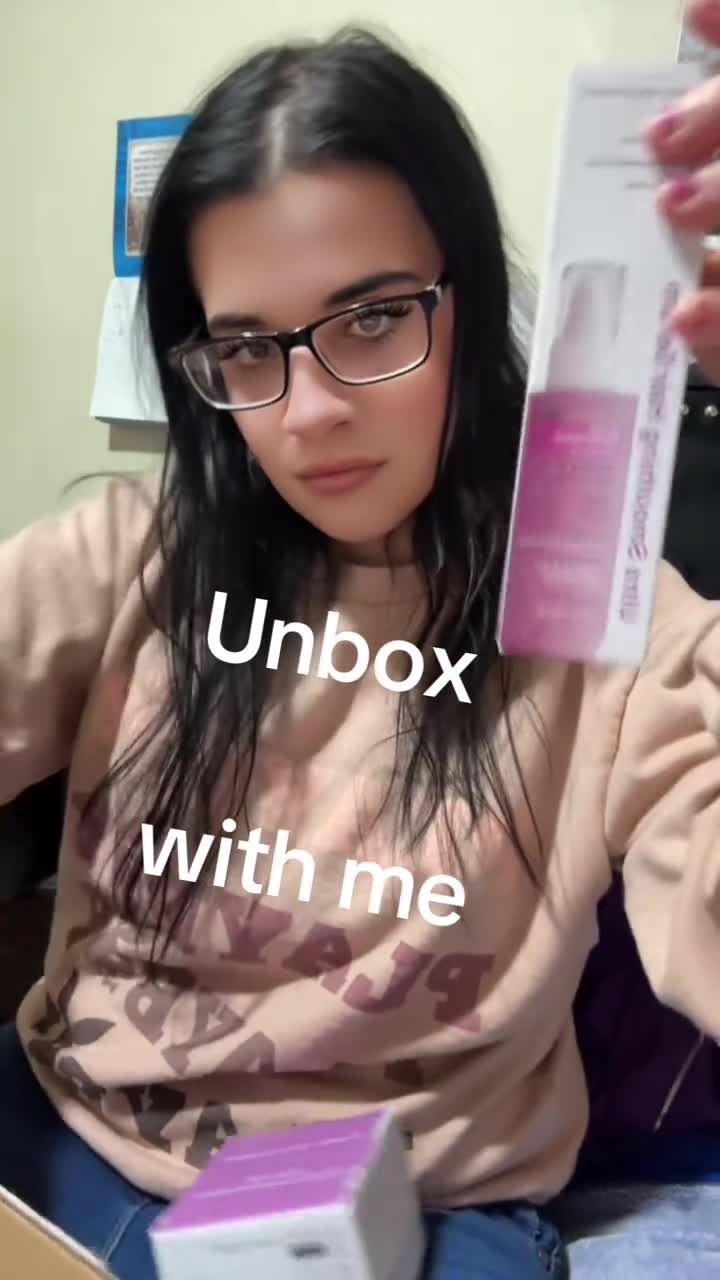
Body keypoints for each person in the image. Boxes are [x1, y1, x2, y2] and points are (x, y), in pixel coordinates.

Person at [2, 3, 720, 1276]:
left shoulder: (600, 609)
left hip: (411, 1209)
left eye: (375, 318)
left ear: (466, 299)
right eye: (246, 347)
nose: (311, 411)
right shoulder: (132, 557)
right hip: (71, 1140)